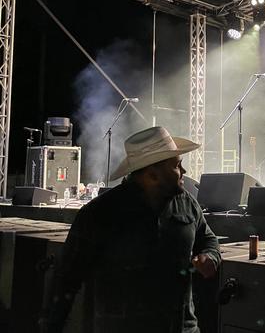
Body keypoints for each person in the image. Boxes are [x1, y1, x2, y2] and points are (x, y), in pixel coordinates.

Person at [46, 126, 221, 333]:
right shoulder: (99, 213)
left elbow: (208, 239)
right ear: (152, 175)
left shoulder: (188, 204)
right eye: (177, 166)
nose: (184, 172)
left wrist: (210, 256)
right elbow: (66, 280)